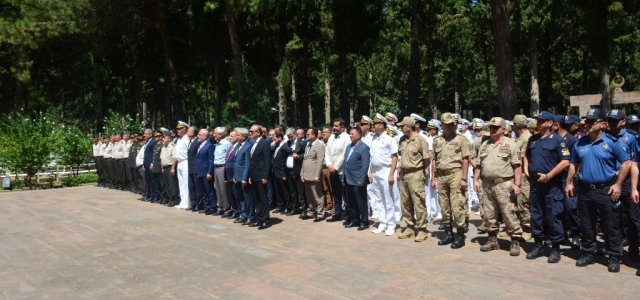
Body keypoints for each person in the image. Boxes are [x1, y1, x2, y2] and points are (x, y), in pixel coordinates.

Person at [566, 108, 631, 273]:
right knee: (586, 223)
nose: (586, 124)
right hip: (585, 190)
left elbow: (626, 163)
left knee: (611, 224)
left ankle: (614, 255)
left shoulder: (611, 142)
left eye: (590, 121)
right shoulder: (580, 143)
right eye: (586, 121)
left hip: (605, 190)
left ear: (603, 124)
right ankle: (588, 252)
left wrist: (617, 184)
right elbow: (573, 164)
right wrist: (569, 183)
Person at [525, 111, 570, 263]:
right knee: (536, 214)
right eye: (538, 119)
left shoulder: (558, 140)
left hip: (551, 184)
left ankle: (556, 248)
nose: (538, 122)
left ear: (550, 123)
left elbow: (565, 162)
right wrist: (527, 169)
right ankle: (538, 245)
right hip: (536, 183)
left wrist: (549, 175)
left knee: (553, 214)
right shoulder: (533, 139)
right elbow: (526, 155)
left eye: (542, 120)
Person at [474, 117, 523, 256]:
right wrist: (475, 180)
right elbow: (478, 164)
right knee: (489, 214)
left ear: (503, 129)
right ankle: (492, 239)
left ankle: (515, 240)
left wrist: (517, 184)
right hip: (487, 184)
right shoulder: (485, 145)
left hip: (504, 184)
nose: (493, 130)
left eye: (496, 127)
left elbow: (517, 166)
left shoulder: (511, 144)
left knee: (509, 213)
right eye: (491, 127)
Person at [432, 112, 471, 248]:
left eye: (451, 125)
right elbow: (434, 160)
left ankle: (460, 235)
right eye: (447, 125)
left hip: (456, 173)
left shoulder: (461, 139)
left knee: (457, 204)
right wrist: (433, 177)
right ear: (441, 125)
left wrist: (464, 178)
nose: (449, 127)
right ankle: (448, 233)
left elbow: (466, 159)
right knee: (444, 205)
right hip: (441, 175)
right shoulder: (437, 140)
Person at [606, 110, 640, 263]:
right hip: (609, 181)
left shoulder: (632, 138)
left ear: (623, 121)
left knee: (631, 217)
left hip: (626, 182)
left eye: (615, 121)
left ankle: (633, 249)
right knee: (612, 217)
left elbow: (634, 162)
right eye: (610, 121)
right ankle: (614, 249)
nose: (612, 123)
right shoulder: (604, 137)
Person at [396, 117, 432, 242]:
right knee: (405, 202)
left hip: (415, 173)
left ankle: (422, 229)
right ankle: (410, 227)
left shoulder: (420, 140)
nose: (401, 128)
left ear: (408, 127)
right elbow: (401, 156)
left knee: (418, 202)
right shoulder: (402, 140)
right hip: (404, 174)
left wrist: (423, 169)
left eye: (403, 126)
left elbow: (427, 158)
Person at [369, 114, 398, 236]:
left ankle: (391, 224)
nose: (373, 126)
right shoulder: (374, 139)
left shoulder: (390, 139)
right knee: (379, 198)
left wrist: (391, 174)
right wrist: (370, 172)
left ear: (381, 125)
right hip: (375, 171)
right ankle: (383, 223)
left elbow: (394, 157)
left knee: (388, 198)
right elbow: (372, 157)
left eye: (375, 124)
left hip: (386, 170)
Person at [558, 115, 581, 249]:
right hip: (557, 178)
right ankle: (563, 233)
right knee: (559, 207)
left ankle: (576, 234)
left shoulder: (572, 140)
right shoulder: (556, 139)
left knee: (571, 207)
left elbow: (576, 162)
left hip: (569, 177)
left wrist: (572, 180)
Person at [342, 127, 371, 230]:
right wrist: (343, 177)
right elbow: (345, 163)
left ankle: (364, 221)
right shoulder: (349, 147)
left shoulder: (364, 148)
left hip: (358, 179)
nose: (350, 135)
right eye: (350, 133)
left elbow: (365, 165)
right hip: (348, 179)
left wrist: (361, 179)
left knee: (361, 201)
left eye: (352, 134)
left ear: (359, 135)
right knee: (351, 201)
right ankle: (354, 219)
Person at [512, 114, 532, 241]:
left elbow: (525, 157)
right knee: (516, 202)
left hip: (524, 175)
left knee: (523, 201)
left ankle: (527, 229)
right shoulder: (520, 138)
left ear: (517, 125)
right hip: (517, 173)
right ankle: (518, 227)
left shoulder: (527, 138)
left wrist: (524, 171)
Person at [325, 118, 350, 221]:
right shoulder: (331, 137)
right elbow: (327, 152)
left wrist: (335, 167)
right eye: (333, 126)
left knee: (346, 194)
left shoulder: (347, 138)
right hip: (331, 170)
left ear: (342, 127)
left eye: (336, 126)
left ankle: (350, 215)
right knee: (336, 193)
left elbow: (345, 154)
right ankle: (338, 213)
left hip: (341, 171)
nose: (333, 128)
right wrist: (329, 164)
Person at [249, 125, 273, 229]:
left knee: (263, 198)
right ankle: (259, 218)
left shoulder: (264, 143)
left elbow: (267, 161)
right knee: (256, 198)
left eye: (252, 131)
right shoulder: (254, 144)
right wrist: (250, 175)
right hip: (254, 175)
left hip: (261, 175)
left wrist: (265, 175)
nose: (250, 133)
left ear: (258, 133)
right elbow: (253, 161)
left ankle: (265, 220)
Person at [301, 128, 326, 221]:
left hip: (314, 174)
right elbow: (305, 160)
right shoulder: (308, 145)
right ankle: (311, 211)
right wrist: (302, 173)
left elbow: (320, 161)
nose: (306, 136)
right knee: (309, 195)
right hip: (306, 174)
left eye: (308, 134)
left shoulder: (319, 146)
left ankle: (320, 213)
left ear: (314, 135)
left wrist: (317, 175)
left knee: (317, 195)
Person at [233, 128, 255, 225]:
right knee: (241, 197)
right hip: (237, 176)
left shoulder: (247, 146)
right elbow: (236, 162)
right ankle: (244, 214)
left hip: (243, 177)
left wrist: (245, 177)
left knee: (247, 197)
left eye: (238, 135)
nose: (236, 136)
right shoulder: (238, 146)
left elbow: (247, 164)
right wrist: (234, 175)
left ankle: (251, 216)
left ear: (244, 136)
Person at [286, 128, 307, 216]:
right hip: (289, 170)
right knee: (292, 191)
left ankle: (304, 210)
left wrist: (299, 156)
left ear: (295, 134)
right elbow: (283, 149)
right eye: (288, 137)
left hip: (298, 170)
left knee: (300, 191)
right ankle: (295, 208)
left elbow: (306, 154)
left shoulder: (301, 143)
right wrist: (290, 150)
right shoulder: (288, 143)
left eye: (291, 136)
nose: (290, 138)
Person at [194, 129, 215, 214]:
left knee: (209, 190)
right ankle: (207, 206)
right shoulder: (200, 145)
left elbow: (211, 160)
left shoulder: (210, 146)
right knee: (204, 191)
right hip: (200, 171)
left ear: (205, 136)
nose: (198, 136)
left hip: (206, 171)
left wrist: (210, 172)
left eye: (200, 134)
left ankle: (212, 207)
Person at [211, 127, 232, 216]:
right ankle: (220, 207)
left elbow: (229, 157)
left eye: (215, 133)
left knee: (223, 188)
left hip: (222, 167)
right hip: (216, 167)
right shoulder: (217, 144)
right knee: (217, 188)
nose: (213, 135)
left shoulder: (226, 144)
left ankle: (227, 208)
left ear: (220, 134)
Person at [271, 131, 292, 214]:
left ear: (280, 138)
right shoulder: (276, 146)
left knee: (285, 191)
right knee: (277, 190)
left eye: (275, 138)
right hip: (275, 172)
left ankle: (288, 207)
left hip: (282, 172)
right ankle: (280, 206)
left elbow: (286, 160)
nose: (274, 140)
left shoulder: (284, 146)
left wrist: (284, 174)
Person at [173, 121, 191, 210]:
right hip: (180, 163)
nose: (178, 130)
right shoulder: (179, 139)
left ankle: (187, 202)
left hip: (185, 162)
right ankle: (182, 201)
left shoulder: (187, 139)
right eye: (177, 129)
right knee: (181, 183)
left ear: (185, 129)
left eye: (180, 128)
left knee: (186, 183)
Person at [183, 126, 200, 210]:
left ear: (193, 133)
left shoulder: (197, 142)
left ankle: (198, 204)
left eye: (188, 131)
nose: (187, 132)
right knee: (191, 186)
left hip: (195, 168)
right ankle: (193, 204)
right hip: (190, 168)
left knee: (197, 187)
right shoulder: (190, 142)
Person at [160, 131, 178, 207]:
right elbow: (162, 158)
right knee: (167, 185)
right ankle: (169, 199)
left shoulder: (173, 146)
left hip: (170, 167)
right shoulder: (163, 147)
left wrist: (173, 167)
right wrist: (162, 167)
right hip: (165, 167)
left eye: (164, 138)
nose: (162, 139)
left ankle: (174, 200)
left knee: (172, 185)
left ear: (169, 138)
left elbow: (174, 158)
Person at [320, 126, 334, 212]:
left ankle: (336, 205)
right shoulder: (321, 143)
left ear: (330, 133)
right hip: (323, 168)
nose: (323, 133)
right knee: (325, 188)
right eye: (323, 132)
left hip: (330, 168)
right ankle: (329, 204)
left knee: (332, 187)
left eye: (325, 132)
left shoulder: (332, 142)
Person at [150, 130, 165, 204]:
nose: (155, 138)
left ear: (161, 137)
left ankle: (162, 197)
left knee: (161, 183)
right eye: (155, 136)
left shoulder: (162, 145)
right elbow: (154, 156)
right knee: (156, 182)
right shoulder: (156, 145)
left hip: (159, 166)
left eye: (157, 136)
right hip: (155, 166)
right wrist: (152, 164)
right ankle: (157, 196)